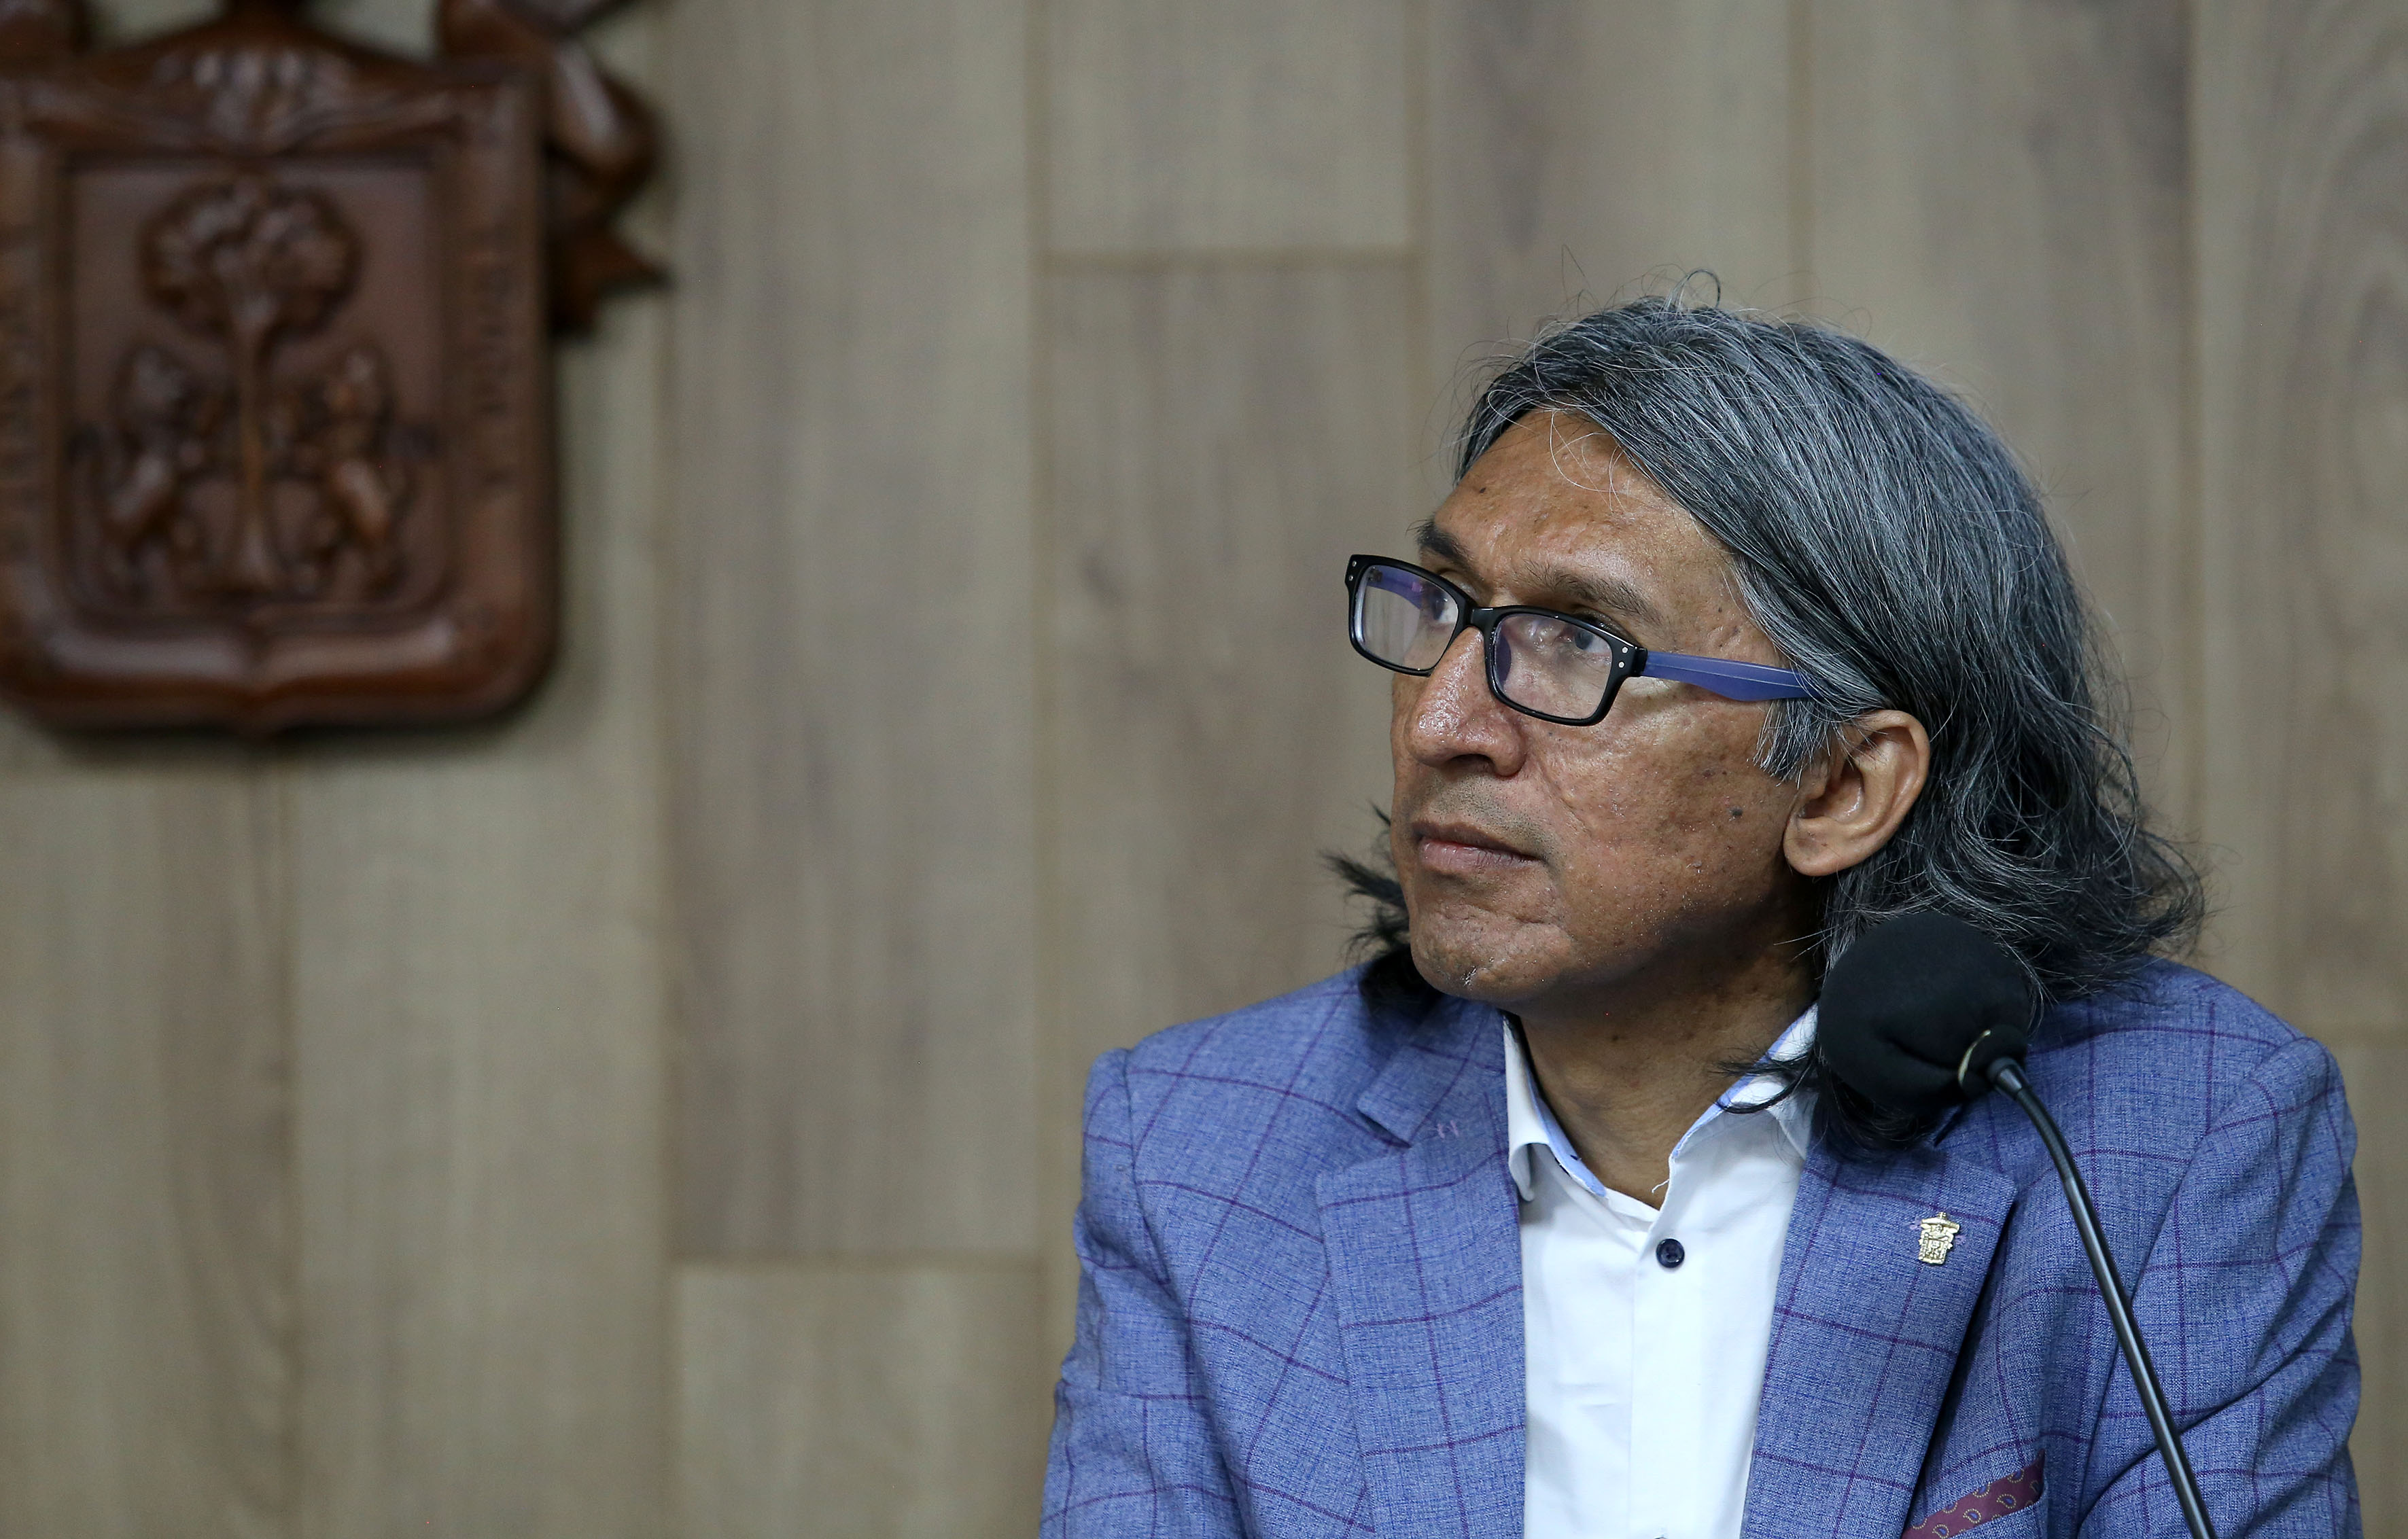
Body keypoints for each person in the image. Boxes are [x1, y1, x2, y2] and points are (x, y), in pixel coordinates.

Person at [1040, 297, 2360, 1538]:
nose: (1439, 721)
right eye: (1444, 606)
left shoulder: (2171, 1141)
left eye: (1575, 641)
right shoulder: (1201, 1153)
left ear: (1841, 785)